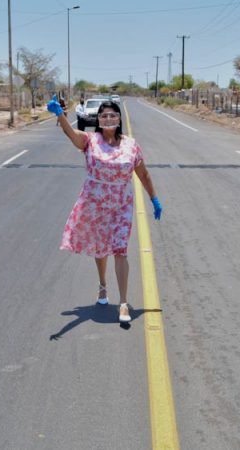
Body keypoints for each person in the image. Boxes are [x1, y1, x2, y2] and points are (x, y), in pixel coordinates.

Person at [47, 95, 162, 323]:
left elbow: (143, 174)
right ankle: (102, 285)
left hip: (121, 205)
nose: (108, 118)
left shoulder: (131, 145)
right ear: (98, 120)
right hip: (96, 204)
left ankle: (123, 304)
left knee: (120, 249)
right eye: (104, 115)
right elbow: (72, 135)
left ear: (119, 119)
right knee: (100, 249)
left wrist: (154, 198)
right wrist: (61, 116)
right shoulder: (90, 140)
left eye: (113, 115)